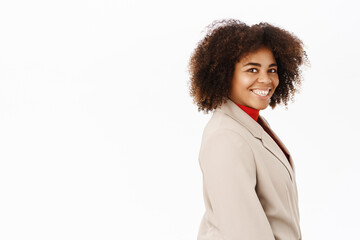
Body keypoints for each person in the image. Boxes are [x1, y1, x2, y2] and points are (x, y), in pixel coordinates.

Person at [188, 19, 308, 240]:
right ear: (224, 75)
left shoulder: (248, 122)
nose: (266, 79)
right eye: (252, 69)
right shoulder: (226, 138)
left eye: (272, 69)